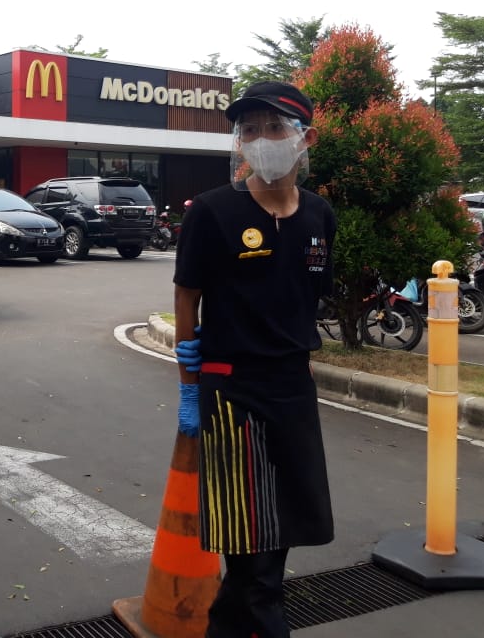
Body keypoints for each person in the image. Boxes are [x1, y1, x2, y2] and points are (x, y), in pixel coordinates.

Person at [172, 81, 336, 638]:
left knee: (280, 531)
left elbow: (307, 301)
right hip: (230, 392)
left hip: (293, 390)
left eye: (273, 127)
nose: (260, 139)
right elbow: (187, 293)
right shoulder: (214, 213)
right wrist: (188, 380)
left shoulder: (319, 216)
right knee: (253, 553)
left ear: (304, 137)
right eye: (248, 129)